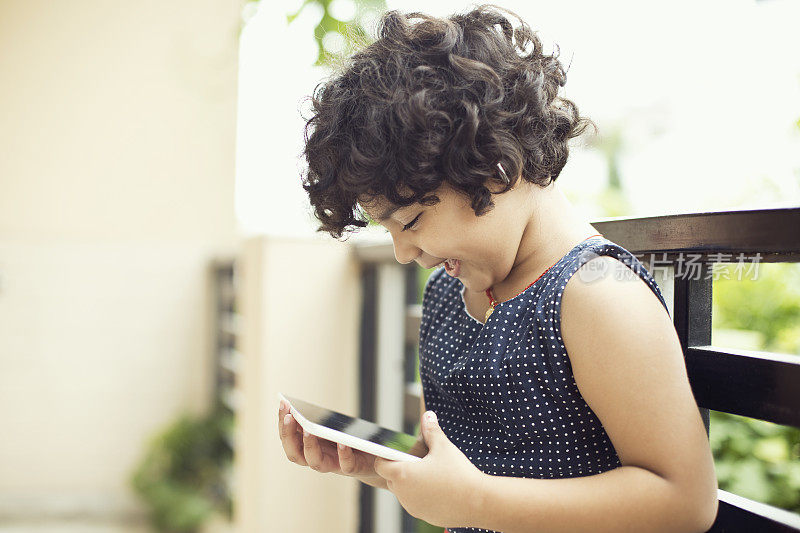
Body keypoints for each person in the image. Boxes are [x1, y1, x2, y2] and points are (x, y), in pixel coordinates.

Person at [277, 4, 718, 532]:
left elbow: (685, 501)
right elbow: (478, 469)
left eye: (412, 220)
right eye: (389, 231)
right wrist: (383, 463)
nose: (401, 253)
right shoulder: (448, 292)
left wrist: (474, 501)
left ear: (495, 167)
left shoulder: (598, 294)